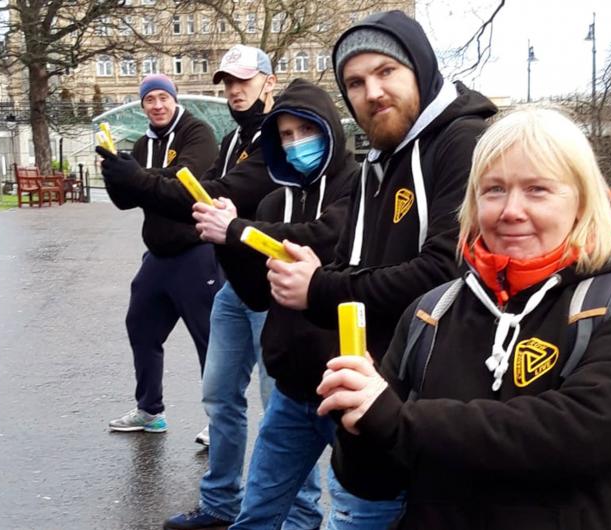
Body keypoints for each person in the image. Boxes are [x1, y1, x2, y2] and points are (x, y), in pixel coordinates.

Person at [317, 107, 611, 530]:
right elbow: (373, 483)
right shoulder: (430, 313)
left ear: (581, 201)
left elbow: (584, 432)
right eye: (494, 190)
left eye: (537, 190)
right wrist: (357, 420)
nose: (511, 210)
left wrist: (395, 420)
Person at [265, 10, 497, 521]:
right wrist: (317, 273)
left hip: (419, 401)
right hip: (371, 390)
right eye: (355, 81)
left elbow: (447, 273)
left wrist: (319, 289)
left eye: (386, 72)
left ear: (419, 67)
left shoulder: (462, 142)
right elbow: (360, 262)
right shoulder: (381, 159)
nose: (372, 92)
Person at [99, 47, 319, 530]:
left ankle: (301, 516)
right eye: (227, 82)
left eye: (244, 80)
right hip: (233, 289)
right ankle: (221, 502)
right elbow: (200, 195)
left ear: (269, 80)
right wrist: (129, 180)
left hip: (273, 292)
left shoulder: (276, 141)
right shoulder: (233, 135)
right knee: (220, 397)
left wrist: (137, 179)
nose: (234, 90)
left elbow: (218, 194)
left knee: (285, 409)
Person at [192, 78, 360, 530]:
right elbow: (254, 290)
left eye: (306, 131)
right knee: (258, 514)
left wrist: (240, 232)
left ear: (330, 129)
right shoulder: (272, 199)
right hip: (291, 385)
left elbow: (326, 237)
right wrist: (224, 239)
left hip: (346, 384)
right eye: (285, 136)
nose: (296, 144)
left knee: (353, 514)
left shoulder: (360, 185)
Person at [102, 73, 221, 434]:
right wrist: (112, 172)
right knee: (140, 326)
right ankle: (149, 410)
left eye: (162, 98)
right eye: (149, 100)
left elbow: (185, 181)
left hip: (197, 250)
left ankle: (219, 421)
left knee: (209, 339)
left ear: (174, 99)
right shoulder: (142, 144)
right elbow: (126, 200)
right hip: (157, 255)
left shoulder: (197, 132)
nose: (157, 105)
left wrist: (134, 174)